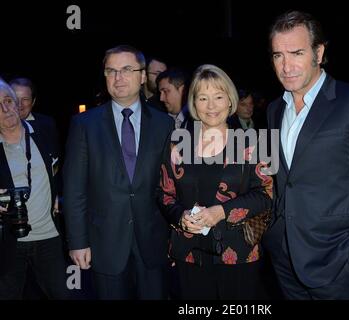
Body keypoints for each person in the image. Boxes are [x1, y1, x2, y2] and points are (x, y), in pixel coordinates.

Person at [263, 11, 349, 299]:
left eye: (296, 53)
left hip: (338, 263)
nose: (286, 66)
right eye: (278, 55)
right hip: (285, 258)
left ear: (319, 52)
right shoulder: (275, 109)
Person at [63, 45, 173, 299]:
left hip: (154, 241)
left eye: (126, 69)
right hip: (104, 243)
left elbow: (171, 186)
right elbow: (74, 188)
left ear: (143, 76)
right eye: (110, 71)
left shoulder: (164, 124)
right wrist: (77, 241)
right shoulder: (84, 124)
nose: (118, 78)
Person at [158, 64, 273, 300]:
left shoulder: (254, 142)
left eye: (218, 97)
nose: (211, 106)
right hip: (188, 253)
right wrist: (180, 216)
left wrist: (222, 211)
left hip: (239, 253)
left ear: (230, 101)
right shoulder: (177, 143)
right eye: (203, 98)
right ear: (193, 103)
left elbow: (267, 196)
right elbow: (163, 193)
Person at [0, 80, 69, 299]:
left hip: (49, 237)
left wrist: (59, 194)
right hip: (8, 242)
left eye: (8, 100)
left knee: (62, 295)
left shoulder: (45, 129)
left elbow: (63, 167)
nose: (7, 108)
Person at [9, 78, 59, 150]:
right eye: (14, 98)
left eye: (25, 99)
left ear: (33, 102)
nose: (19, 105)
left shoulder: (47, 124)